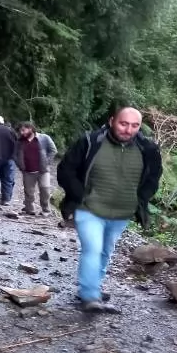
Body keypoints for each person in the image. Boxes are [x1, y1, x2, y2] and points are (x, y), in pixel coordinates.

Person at [56, 105, 162, 314]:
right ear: (112, 121)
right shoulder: (90, 141)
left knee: (105, 251)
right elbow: (66, 169)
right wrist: (82, 195)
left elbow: (153, 178)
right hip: (89, 208)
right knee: (93, 249)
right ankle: (90, 295)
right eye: (123, 123)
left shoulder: (147, 148)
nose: (128, 129)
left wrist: (140, 200)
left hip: (123, 211)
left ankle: (92, 285)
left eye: (134, 125)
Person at [15, 122, 57, 215]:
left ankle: (46, 210)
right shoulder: (19, 142)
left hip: (43, 171)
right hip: (27, 171)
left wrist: (47, 162)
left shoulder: (44, 138)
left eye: (23, 130)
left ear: (30, 128)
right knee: (29, 192)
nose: (22, 133)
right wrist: (20, 165)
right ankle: (30, 210)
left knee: (45, 191)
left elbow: (53, 150)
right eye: (20, 131)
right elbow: (14, 154)